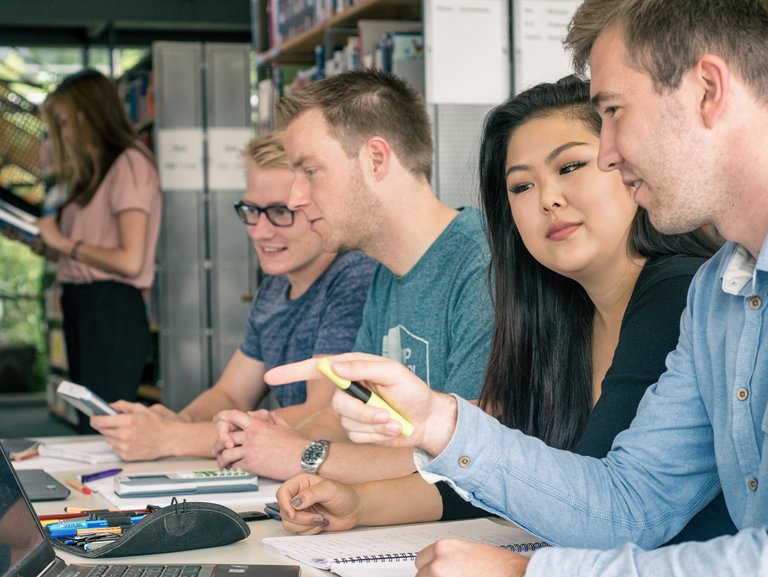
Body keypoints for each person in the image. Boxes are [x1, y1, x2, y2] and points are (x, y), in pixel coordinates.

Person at [266, 1, 768, 575]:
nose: (609, 152)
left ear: (708, 89)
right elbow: (629, 506)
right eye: (521, 186)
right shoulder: (717, 294)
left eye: (614, 111)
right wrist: (438, 422)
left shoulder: (682, 290)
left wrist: (526, 573)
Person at [213, 69, 494, 483]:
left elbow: (465, 458)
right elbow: (354, 412)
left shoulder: (483, 265)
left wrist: (301, 455)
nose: (295, 197)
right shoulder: (384, 273)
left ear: (376, 159)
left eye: (309, 171)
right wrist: (268, 437)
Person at [90, 131, 376, 460]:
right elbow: (231, 393)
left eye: (281, 212)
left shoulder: (354, 277)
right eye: (252, 210)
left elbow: (321, 417)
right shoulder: (275, 283)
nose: (259, 231)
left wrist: (170, 439)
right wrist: (175, 422)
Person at [37, 69, 161, 434]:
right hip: (83, 306)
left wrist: (63, 242)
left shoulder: (129, 164)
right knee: (89, 422)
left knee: (104, 425)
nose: (63, 134)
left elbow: (129, 260)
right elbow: (83, 251)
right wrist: (48, 245)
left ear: (88, 116)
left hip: (110, 309)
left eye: (65, 122)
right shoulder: (91, 174)